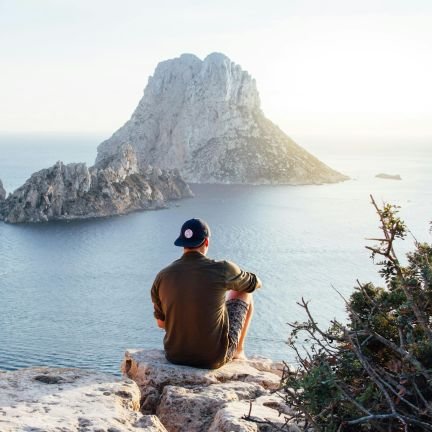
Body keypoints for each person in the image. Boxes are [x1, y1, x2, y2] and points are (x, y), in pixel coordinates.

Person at [151, 218, 261, 369]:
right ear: (206, 242)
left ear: (183, 244)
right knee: (244, 292)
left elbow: (161, 323)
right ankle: (238, 351)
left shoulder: (162, 276)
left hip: (175, 356)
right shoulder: (223, 269)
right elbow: (254, 284)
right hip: (212, 358)